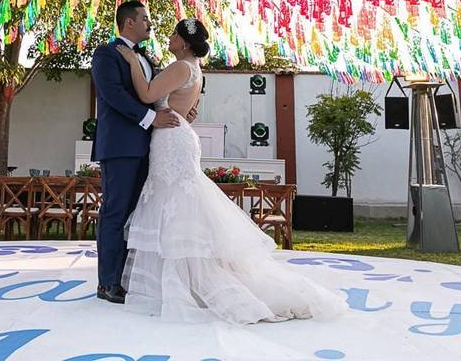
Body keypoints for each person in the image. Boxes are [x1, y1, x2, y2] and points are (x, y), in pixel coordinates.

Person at [115, 18, 346, 324]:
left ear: (183, 42)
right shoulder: (194, 70)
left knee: (175, 206)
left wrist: (131, 59)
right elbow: (181, 107)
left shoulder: (182, 67)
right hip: (176, 134)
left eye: (173, 35)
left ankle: (192, 284)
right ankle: (182, 281)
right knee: (178, 206)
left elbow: (146, 95)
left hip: (171, 140)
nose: (168, 38)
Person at [90, 0, 196, 304]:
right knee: (115, 211)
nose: (151, 23)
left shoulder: (147, 57)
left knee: (137, 215)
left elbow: (155, 94)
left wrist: (178, 110)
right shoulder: (106, 54)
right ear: (129, 23)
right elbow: (113, 94)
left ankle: (127, 277)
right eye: (146, 19)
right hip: (121, 146)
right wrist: (151, 118)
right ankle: (107, 282)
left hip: (151, 146)